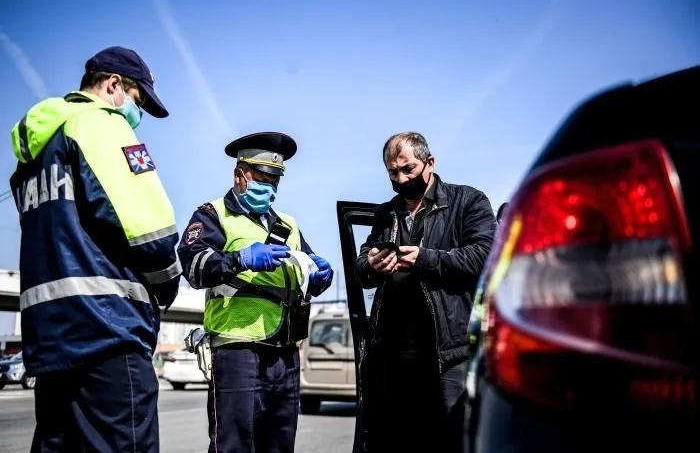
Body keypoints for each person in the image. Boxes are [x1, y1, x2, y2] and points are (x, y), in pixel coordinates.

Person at [8, 46, 181, 452]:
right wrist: (168, 285)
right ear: (113, 85)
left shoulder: (35, 155)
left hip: (51, 340)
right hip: (108, 332)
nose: (134, 115)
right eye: (136, 101)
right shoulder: (100, 125)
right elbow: (151, 233)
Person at [177, 131, 334, 453]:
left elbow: (305, 273)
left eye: (275, 181)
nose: (269, 187)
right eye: (262, 178)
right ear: (239, 175)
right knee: (233, 444)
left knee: (279, 445)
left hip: (285, 351)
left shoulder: (287, 224)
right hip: (238, 349)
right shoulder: (213, 214)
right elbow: (194, 267)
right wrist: (240, 258)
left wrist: (320, 277)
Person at [354, 131, 496, 453]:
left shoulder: (468, 201)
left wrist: (425, 258)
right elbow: (361, 267)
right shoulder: (386, 214)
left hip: (449, 354)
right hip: (393, 359)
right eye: (393, 173)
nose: (401, 179)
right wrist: (373, 264)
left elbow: (485, 256)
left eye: (408, 169)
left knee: (449, 440)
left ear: (429, 163)